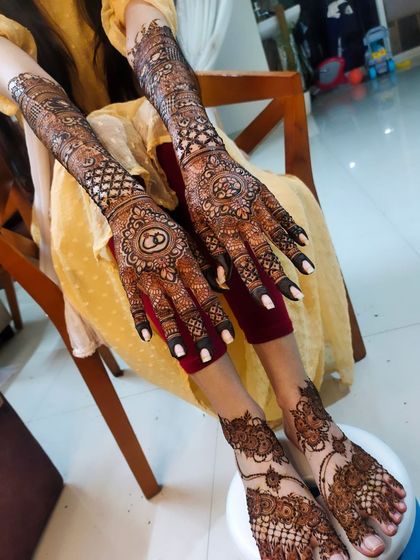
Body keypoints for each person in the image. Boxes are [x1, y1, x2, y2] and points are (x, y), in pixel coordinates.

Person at [0, 1, 406, 558]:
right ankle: (249, 436)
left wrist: (200, 151)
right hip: (82, 190)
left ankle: (301, 411)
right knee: (115, 166)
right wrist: (125, 206)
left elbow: (146, 27)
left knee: (188, 159)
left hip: (170, 129)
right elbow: (29, 86)